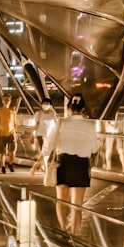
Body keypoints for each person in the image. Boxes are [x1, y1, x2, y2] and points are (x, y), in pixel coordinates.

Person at [46, 96, 100, 229]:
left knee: (61, 200)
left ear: (68, 108)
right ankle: (75, 234)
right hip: (81, 164)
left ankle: (63, 229)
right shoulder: (89, 125)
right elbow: (94, 148)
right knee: (77, 205)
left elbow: (49, 143)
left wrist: (42, 160)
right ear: (83, 109)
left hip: (63, 162)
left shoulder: (61, 123)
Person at [0, 91, 20, 172]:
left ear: (10, 101)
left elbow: (15, 123)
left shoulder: (13, 112)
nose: (6, 101)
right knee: (2, 152)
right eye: (5, 100)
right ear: (2, 101)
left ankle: (10, 164)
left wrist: (16, 132)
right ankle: (3, 166)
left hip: (11, 133)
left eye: (8, 100)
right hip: (1, 133)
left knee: (12, 151)